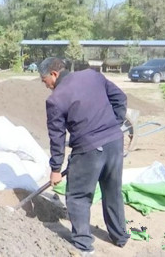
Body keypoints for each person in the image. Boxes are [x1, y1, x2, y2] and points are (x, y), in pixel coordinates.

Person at [38, 57, 129, 255]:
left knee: (78, 196)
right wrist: (114, 125)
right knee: (113, 190)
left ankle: (83, 245)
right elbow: (120, 98)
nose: (45, 85)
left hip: (88, 150)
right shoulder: (92, 75)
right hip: (115, 142)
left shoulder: (55, 100)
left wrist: (55, 169)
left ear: (54, 74)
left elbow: (57, 138)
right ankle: (120, 236)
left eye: (44, 80)